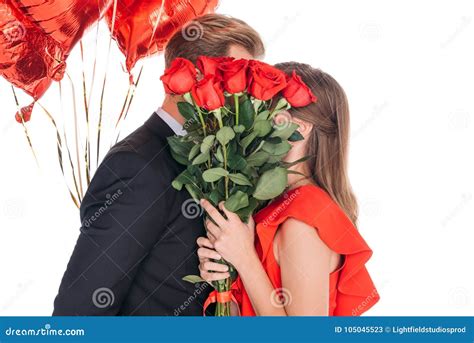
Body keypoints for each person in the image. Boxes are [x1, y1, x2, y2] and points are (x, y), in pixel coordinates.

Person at [53, 14, 265, 316]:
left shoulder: (218, 157)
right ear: (191, 76)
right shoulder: (137, 165)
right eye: (237, 76)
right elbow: (77, 311)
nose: (244, 93)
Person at [197, 62, 380, 316]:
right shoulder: (275, 205)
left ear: (300, 128)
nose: (250, 124)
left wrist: (244, 258)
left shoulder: (304, 222)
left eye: (263, 111)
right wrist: (224, 283)